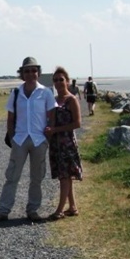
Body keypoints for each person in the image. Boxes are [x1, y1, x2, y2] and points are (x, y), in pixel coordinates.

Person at [0, 56, 57, 223]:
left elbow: (52, 116)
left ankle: (33, 210)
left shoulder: (45, 92)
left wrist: (47, 137)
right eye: (27, 71)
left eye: (34, 70)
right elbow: (10, 118)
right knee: (12, 176)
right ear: (22, 73)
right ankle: (3, 211)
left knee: (36, 178)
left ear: (38, 73)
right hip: (20, 139)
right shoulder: (16, 92)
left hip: (39, 140)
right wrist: (12, 138)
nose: (31, 73)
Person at [46, 66, 83, 219]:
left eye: (61, 80)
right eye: (55, 80)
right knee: (64, 176)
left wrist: (57, 129)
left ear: (67, 82)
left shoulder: (71, 100)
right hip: (56, 143)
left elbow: (77, 123)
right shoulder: (54, 101)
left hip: (67, 142)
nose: (58, 83)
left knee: (65, 176)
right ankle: (72, 207)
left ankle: (59, 210)